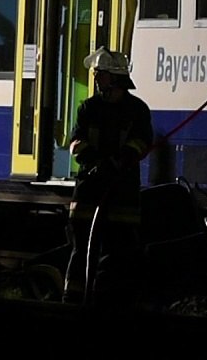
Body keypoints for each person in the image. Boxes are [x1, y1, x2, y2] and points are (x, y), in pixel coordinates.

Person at [62, 48, 153, 306]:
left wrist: (118, 162)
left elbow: (142, 142)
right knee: (81, 250)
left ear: (114, 77)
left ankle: (110, 301)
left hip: (121, 191)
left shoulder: (137, 110)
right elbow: (76, 142)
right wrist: (95, 162)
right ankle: (73, 301)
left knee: (120, 252)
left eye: (100, 74)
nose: (96, 78)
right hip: (88, 190)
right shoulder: (88, 108)